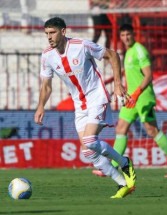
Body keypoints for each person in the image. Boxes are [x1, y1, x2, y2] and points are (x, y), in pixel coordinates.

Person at [34, 17, 136, 198]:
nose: (49, 37)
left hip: (97, 97)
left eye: (52, 33)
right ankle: (122, 184)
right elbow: (46, 86)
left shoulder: (82, 46)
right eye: (46, 34)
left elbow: (113, 54)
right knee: (88, 151)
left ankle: (124, 162)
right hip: (79, 104)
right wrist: (41, 106)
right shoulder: (47, 56)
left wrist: (118, 84)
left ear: (63, 31)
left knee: (90, 141)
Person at [92, 23, 167, 178]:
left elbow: (148, 75)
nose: (126, 37)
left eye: (128, 34)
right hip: (131, 98)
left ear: (133, 34)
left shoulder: (139, 50)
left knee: (151, 130)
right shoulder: (128, 53)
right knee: (121, 128)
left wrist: (136, 94)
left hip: (143, 97)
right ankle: (113, 167)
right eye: (123, 35)